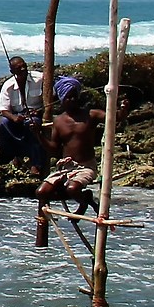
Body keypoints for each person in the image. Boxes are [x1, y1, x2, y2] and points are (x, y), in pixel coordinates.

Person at [36, 76, 107, 210]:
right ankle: (86, 197)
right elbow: (54, 149)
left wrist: (123, 109)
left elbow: (114, 117)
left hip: (86, 167)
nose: (72, 100)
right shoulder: (59, 121)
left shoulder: (91, 115)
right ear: (62, 99)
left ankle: (83, 203)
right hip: (66, 167)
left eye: (74, 96)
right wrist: (38, 134)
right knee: (41, 192)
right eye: (68, 97)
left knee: (72, 189)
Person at [0, 56, 48, 173]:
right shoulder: (8, 85)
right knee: (2, 124)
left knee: (32, 125)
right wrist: (14, 117)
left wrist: (40, 110)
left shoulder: (40, 78)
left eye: (24, 66)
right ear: (12, 71)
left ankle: (36, 163)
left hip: (35, 113)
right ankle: (13, 155)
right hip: (17, 114)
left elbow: (50, 97)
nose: (23, 69)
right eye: (19, 68)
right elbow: (3, 109)